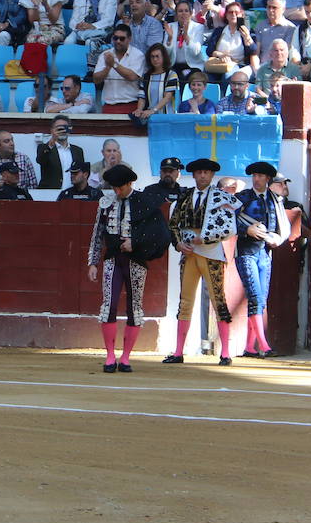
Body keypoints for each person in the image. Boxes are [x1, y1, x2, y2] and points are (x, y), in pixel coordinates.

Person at [88, 163, 166, 373]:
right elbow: (97, 234)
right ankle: (110, 356)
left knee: (135, 308)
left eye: (120, 187)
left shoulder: (145, 202)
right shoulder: (105, 203)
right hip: (113, 259)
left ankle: (126, 357)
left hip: (136, 260)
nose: (116, 191)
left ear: (130, 183)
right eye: (114, 187)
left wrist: (135, 243)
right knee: (108, 306)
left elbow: (158, 234)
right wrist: (93, 262)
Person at [163, 158, 237, 365]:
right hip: (189, 254)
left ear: (212, 175)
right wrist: (178, 244)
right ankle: (178, 352)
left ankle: (226, 353)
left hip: (212, 253)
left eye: (206, 172)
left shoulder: (221, 198)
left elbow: (229, 229)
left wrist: (204, 239)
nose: (203, 175)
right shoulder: (184, 197)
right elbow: (173, 225)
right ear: (193, 175)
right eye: (199, 172)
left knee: (218, 300)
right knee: (185, 301)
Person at [234, 160, 291, 359]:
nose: (256, 179)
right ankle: (264, 346)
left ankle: (250, 347)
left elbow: (280, 227)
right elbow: (227, 222)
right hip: (245, 253)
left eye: (260, 176)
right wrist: (246, 229)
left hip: (265, 254)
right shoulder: (242, 198)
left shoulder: (274, 200)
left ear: (267, 179)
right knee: (256, 298)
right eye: (254, 176)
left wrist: (276, 238)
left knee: (260, 300)